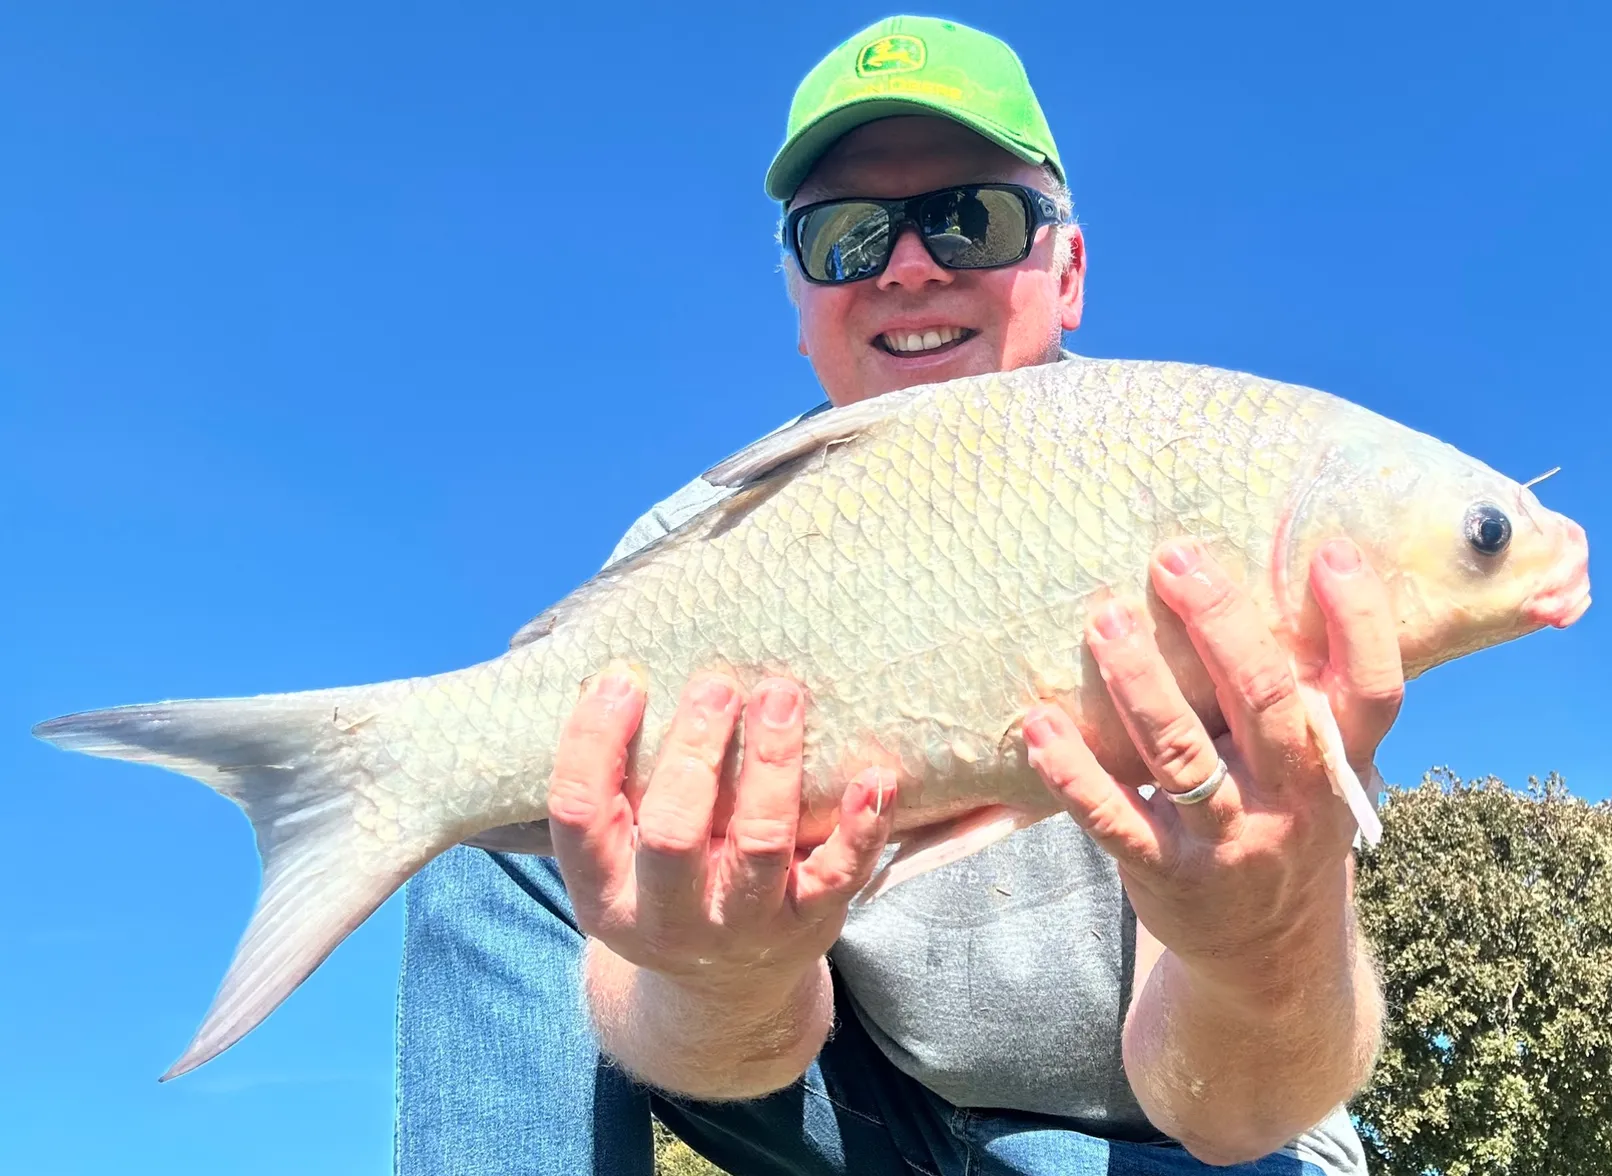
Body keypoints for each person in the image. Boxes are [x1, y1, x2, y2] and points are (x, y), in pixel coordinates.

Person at [396, 16, 1395, 1175]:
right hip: (854, 1099)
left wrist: (1252, 945)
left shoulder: (1200, 501)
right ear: (799, 291)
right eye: (846, 234)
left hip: (1160, 1132)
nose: (908, 264)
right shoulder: (699, 546)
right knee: (506, 798)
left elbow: (1238, 1109)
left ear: (1068, 272)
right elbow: (717, 1046)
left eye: (975, 217)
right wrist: (727, 973)